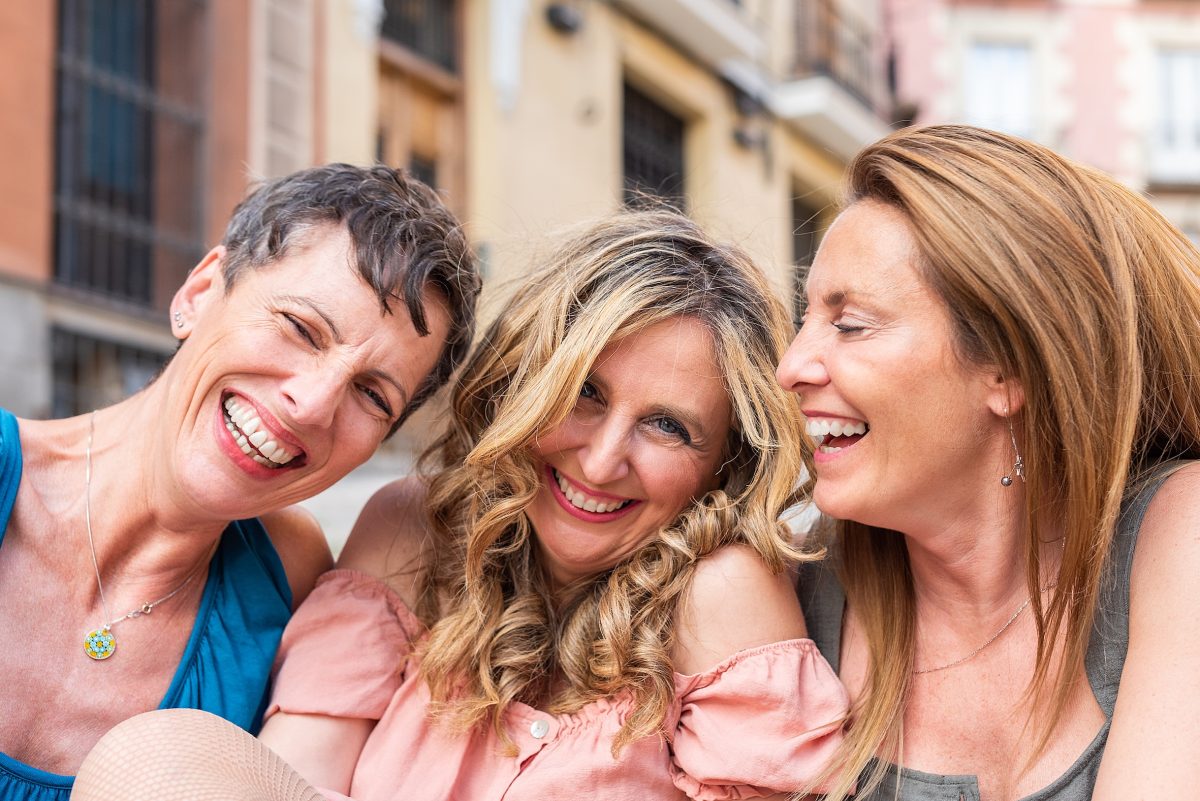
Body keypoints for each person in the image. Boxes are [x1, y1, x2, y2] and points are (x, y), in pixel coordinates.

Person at [70, 210, 850, 801]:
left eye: (668, 426)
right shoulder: (413, 531)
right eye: (582, 393)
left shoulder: (723, 595)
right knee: (155, 761)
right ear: (520, 386)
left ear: (722, 465)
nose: (604, 458)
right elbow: (292, 776)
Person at [0, 163, 480, 801]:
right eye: (301, 328)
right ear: (198, 293)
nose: (311, 405)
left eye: (371, 394)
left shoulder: (293, 581)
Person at [775, 125, 1200, 800]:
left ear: (1006, 368)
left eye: (849, 324)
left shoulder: (1176, 533)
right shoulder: (787, 597)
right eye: (805, 320)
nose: (790, 367)